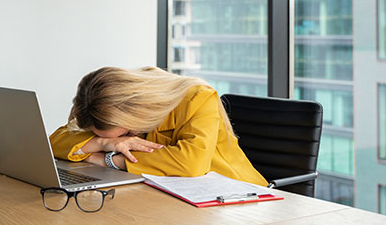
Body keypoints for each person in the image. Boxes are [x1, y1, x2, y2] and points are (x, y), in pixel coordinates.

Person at [49, 66, 267, 186]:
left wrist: (106, 160)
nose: (123, 140)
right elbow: (54, 141)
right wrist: (102, 142)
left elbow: (191, 163)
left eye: (125, 133)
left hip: (237, 194)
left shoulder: (198, 97)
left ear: (137, 111)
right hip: (169, 191)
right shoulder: (101, 106)